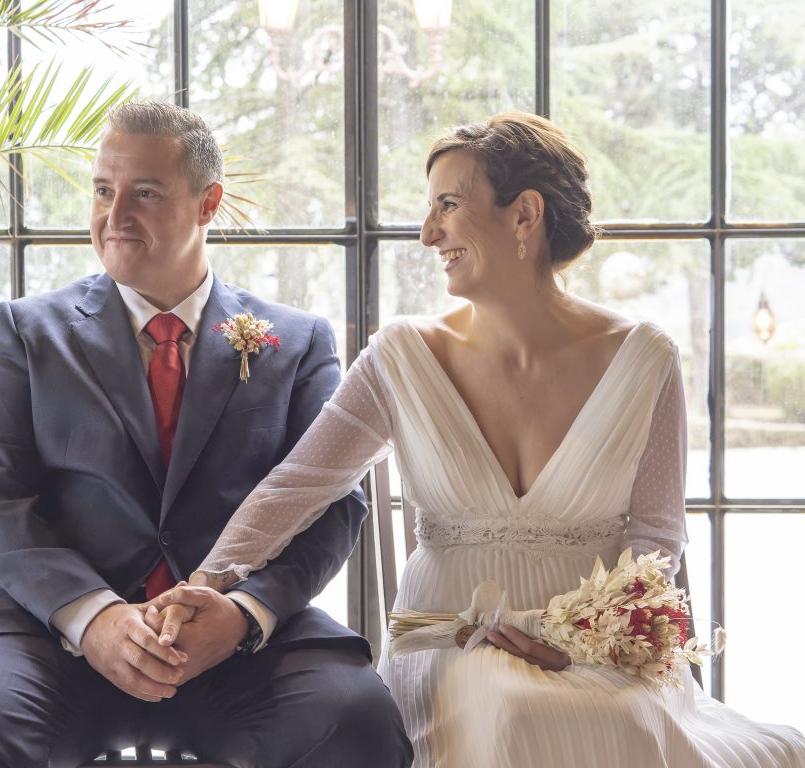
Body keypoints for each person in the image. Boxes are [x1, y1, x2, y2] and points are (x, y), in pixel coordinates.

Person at [153, 113, 805, 767]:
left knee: (620, 719)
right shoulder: (401, 355)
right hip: (453, 642)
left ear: (524, 216)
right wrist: (206, 582)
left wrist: (588, 640)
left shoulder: (645, 359)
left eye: (448, 205)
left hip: (598, 653)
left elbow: (657, 537)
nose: (427, 232)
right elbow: (298, 487)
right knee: (520, 708)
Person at [0, 101, 412, 768]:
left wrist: (242, 616)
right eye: (102, 190)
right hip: (46, 632)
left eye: (143, 193)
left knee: (357, 719)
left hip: (233, 642)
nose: (114, 216)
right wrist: (94, 617)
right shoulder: (24, 332)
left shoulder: (297, 342)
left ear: (209, 204)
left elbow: (333, 506)